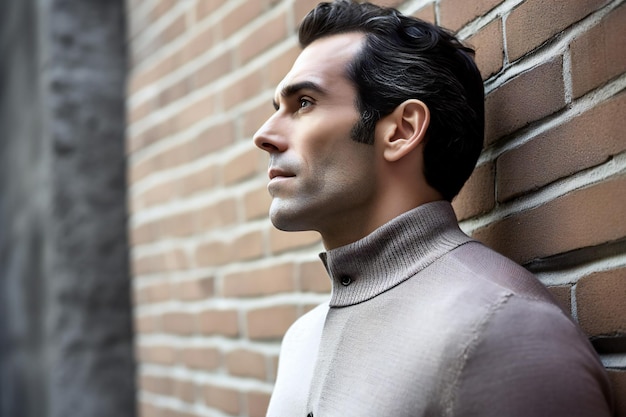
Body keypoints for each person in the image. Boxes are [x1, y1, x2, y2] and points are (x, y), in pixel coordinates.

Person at [252, 1, 615, 416]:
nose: (265, 135)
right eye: (276, 109)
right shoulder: (301, 338)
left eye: (303, 103)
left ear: (402, 131)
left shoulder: (502, 333)